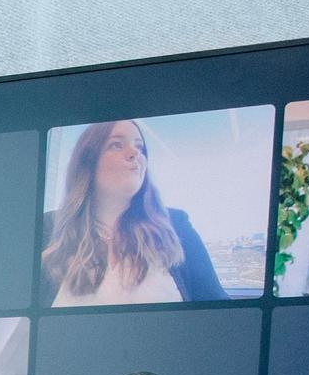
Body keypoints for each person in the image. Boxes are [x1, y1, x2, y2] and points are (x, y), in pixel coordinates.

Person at [41, 119, 227, 307]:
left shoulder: (176, 225)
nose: (135, 153)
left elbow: (221, 313)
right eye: (116, 145)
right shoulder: (48, 228)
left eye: (140, 146)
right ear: (87, 162)